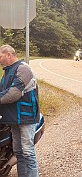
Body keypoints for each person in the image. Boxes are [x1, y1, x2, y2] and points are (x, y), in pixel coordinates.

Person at [0, 44, 40, 177]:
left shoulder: (23, 69)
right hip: (13, 118)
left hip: (25, 117)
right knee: (19, 152)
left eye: (0, 56)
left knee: (28, 152)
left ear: (9, 55)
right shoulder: (7, 72)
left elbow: (13, 94)